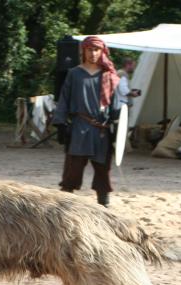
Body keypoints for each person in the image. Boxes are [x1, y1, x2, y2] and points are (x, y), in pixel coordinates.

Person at [52, 35, 120, 206]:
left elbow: (116, 103)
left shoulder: (108, 75)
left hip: (102, 129)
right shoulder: (74, 74)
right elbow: (64, 99)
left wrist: (117, 124)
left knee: (103, 168)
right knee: (73, 167)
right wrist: (60, 123)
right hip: (79, 127)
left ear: (102, 52)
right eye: (89, 49)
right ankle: (65, 203)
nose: (93, 53)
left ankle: (103, 204)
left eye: (96, 49)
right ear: (84, 51)